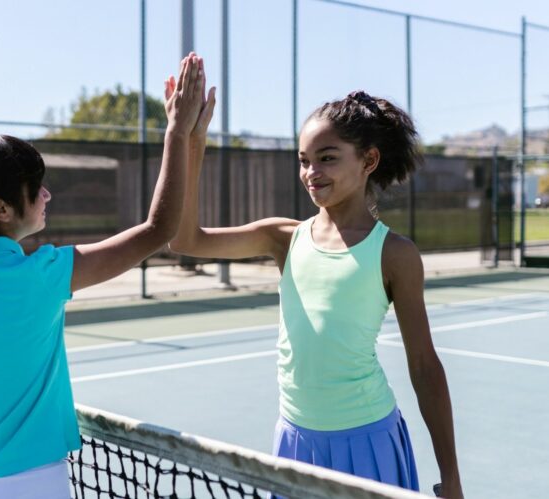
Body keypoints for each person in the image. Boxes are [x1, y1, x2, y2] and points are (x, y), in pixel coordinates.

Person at [0, 53, 211, 499]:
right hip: (36, 485)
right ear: (0, 209)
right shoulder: (44, 275)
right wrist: (178, 132)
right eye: (34, 188)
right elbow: (159, 229)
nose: (46, 194)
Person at [169, 90, 463, 498]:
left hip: (368, 440)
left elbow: (425, 366)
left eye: (327, 158)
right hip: (295, 442)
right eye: (304, 161)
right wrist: (191, 140)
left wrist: (451, 476)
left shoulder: (395, 254)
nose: (311, 172)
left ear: (368, 161)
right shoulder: (282, 238)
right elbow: (184, 239)